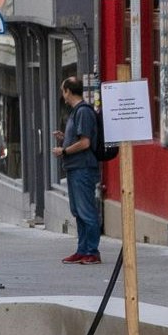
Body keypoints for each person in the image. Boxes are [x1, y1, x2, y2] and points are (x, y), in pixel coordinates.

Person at [54, 76, 105, 262]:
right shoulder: (77, 112)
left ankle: (92, 251)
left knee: (86, 211)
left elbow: (85, 143)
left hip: (83, 168)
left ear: (68, 90)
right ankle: (82, 249)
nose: (63, 95)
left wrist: (64, 150)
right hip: (75, 168)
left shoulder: (82, 112)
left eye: (63, 91)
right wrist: (64, 138)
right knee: (78, 211)